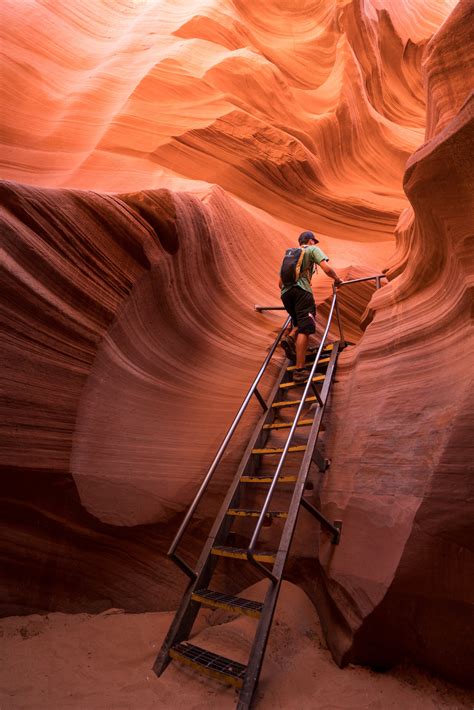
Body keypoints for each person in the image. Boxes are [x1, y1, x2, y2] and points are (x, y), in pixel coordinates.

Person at [280, 230, 342, 382]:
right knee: (305, 327)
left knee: (299, 322)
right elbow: (326, 268)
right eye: (314, 241)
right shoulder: (312, 249)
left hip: (286, 294)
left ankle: (290, 338)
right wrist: (337, 279)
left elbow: (280, 283)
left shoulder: (290, 255)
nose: (314, 243)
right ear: (310, 241)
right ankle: (300, 370)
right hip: (302, 292)